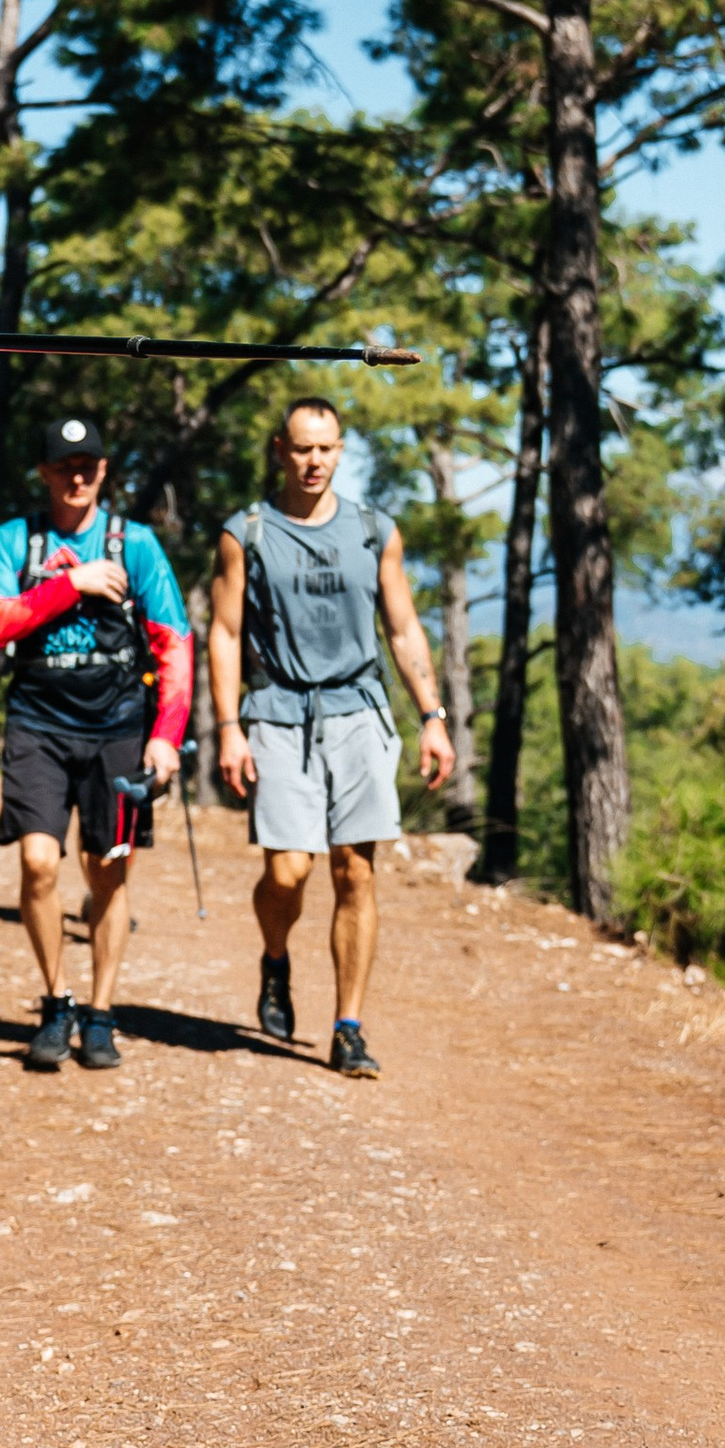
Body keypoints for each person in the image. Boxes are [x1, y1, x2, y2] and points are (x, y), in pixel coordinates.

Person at [207, 394, 453, 1076]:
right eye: (302, 448)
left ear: (341, 451)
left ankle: (348, 1026)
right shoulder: (247, 533)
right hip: (279, 712)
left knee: (356, 872)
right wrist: (229, 726)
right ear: (280, 451)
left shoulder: (375, 529)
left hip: (357, 713)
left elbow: (402, 629)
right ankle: (276, 960)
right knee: (288, 873)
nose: (315, 461)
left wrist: (432, 717)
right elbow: (224, 635)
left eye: (327, 448)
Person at [0, 416, 192, 1074]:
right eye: (64, 464)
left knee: (108, 873)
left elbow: (174, 642)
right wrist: (72, 584)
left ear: (103, 470)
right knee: (39, 864)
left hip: (118, 730)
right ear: (43, 471)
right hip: (38, 723)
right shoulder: (17, 541)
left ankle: (100, 1011)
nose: (77, 475)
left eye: (89, 464)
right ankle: (55, 1000)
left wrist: (166, 738)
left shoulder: (137, 544)